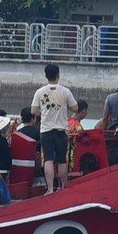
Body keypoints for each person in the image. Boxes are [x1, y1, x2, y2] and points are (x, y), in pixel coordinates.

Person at [32, 64, 80, 193]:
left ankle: (50, 189)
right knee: (61, 160)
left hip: (46, 131)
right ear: (58, 75)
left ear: (46, 76)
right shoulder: (65, 91)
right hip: (61, 131)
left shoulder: (40, 92)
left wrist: (45, 112)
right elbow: (75, 108)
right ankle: (64, 188)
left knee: (48, 159)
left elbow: (34, 111)